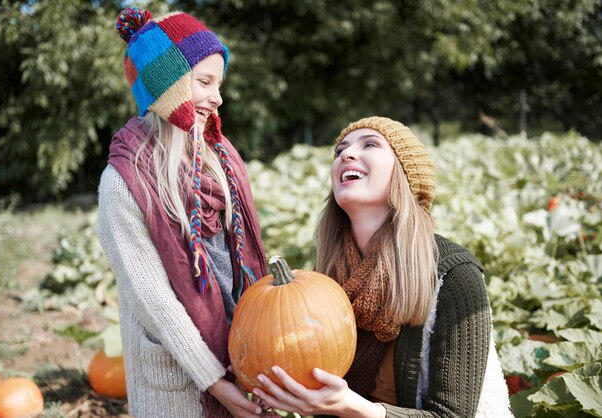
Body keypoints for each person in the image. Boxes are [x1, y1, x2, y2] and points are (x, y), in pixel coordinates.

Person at [253, 117, 513, 417]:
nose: (346, 155)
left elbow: (453, 415)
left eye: (370, 144)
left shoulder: (455, 275)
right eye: (340, 151)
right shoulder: (328, 280)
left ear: (404, 175)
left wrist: (355, 408)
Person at [96, 7, 267, 418]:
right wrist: (215, 381)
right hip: (180, 381)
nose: (218, 97)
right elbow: (153, 300)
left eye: (219, 83)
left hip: (240, 355)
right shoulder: (123, 181)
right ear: (168, 85)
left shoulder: (219, 157)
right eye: (204, 82)